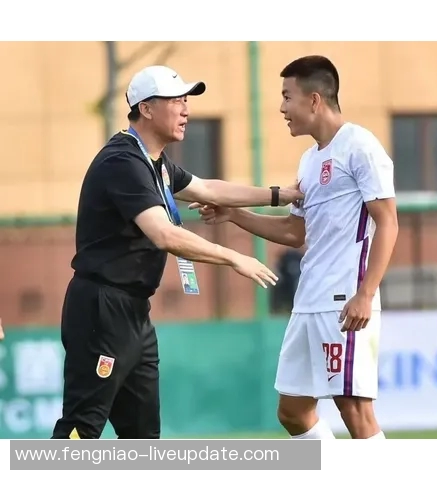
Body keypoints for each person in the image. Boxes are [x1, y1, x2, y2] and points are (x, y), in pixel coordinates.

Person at [51, 65, 303, 440]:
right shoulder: (123, 161)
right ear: (146, 108)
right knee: (81, 429)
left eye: (186, 100)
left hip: (134, 312)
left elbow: (210, 190)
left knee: (143, 439)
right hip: (102, 311)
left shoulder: (157, 163)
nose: (186, 110)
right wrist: (235, 257)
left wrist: (280, 195)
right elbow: (164, 234)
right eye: (176, 100)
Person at [195, 56, 398, 439]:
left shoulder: (360, 146)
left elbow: (388, 222)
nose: (282, 107)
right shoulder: (309, 161)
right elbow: (294, 232)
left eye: (287, 97)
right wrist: (233, 214)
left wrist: (365, 294)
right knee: (293, 411)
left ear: (314, 100)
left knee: (354, 409)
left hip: (343, 300)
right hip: (308, 299)